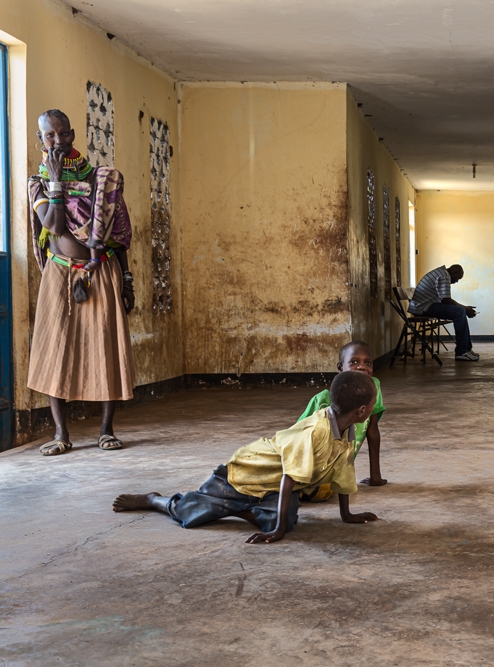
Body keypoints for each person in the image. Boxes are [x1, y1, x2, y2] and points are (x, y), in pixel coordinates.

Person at [112, 371, 379, 544]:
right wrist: (277, 533)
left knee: (287, 519)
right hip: (244, 474)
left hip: (271, 487)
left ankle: (242, 510)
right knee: (191, 512)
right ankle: (155, 500)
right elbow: (289, 478)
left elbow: (344, 472)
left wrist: (347, 515)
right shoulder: (315, 431)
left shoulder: (348, 430)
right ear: (363, 410)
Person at [27, 110, 136, 456]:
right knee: (53, 347)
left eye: (62, 134)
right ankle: (61, 433)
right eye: (49, 136)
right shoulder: (39, 183)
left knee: (105, 345)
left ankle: (106, 430)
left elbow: (116, 237)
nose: (57, 141)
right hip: (59, 272)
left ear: (73, 135)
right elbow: (56, 226)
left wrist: (128, 280)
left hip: (100, 269)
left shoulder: (99, 180)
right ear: (40, 140)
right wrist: (56, 181)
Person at [297, 341, 387, 487]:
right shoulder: (323, 400)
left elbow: (372, 430)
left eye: (368, 363)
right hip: (310, 470)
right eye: (354, 361)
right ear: (340, 367)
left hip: (337, 471)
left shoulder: (373, 387)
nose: (362, 366)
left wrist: (375, 477)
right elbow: (297, 439)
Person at [409, 264, 479, 361]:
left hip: (423, 306)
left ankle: (466, 349)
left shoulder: (441, 272)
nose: (456, 282)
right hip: (422, 307)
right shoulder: (444, 275)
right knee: (459, 311)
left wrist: (464, 309)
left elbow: (443, 300)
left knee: (460, 311)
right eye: (457, 278)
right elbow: (446, 300)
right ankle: (462, 351)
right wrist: (465, 308)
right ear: (454, 272)